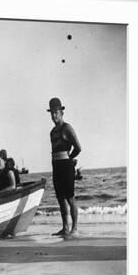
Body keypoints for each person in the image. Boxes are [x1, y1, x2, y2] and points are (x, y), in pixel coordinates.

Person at [47, 97, 82, 237]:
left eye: (56, 112)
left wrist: (70, 159)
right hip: (56, 167)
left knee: (70, 198)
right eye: (52, 113)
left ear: (62, 112)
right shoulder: (52, 132)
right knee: (60, 199)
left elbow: (78, 147)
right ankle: (65, 228)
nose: (54, 115)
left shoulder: (67, 128)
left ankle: (75, 228)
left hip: (66, 166)